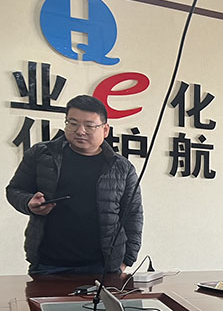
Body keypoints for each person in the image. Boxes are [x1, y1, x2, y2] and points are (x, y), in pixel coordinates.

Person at [6, 94, 143, 275]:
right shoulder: (42, 154)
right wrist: (28, 202)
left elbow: (133, 215)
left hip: (102, 266)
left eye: (89, 125)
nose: (80, 131)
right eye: (73, 123)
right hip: (48, 264)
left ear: (105, 130)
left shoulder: (122, 168)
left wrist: (127, 260)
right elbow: (14, 190)